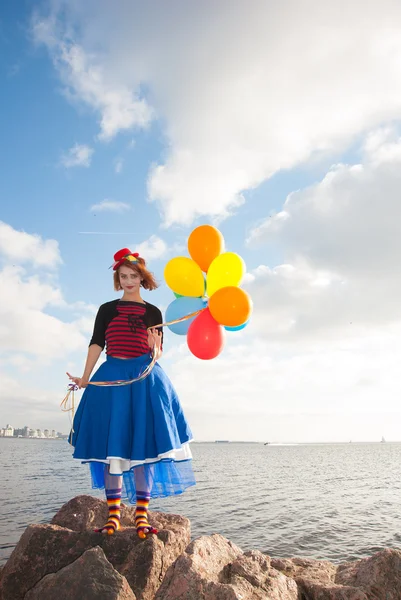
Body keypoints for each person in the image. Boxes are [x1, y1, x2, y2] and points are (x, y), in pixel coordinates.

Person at [67, 248, 195, 538]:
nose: (127, 281)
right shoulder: (107, 309)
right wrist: (85, 377)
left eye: (133, 276)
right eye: (123, 276)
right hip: (112, 378)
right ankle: (113, 515)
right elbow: (96, 343)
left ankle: (141, 515)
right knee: (112, 449)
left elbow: (158, 355)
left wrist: (154, 347)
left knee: (142, 450)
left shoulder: (153, 312)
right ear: (118, 278)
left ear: (142, 277)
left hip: (143, 380)